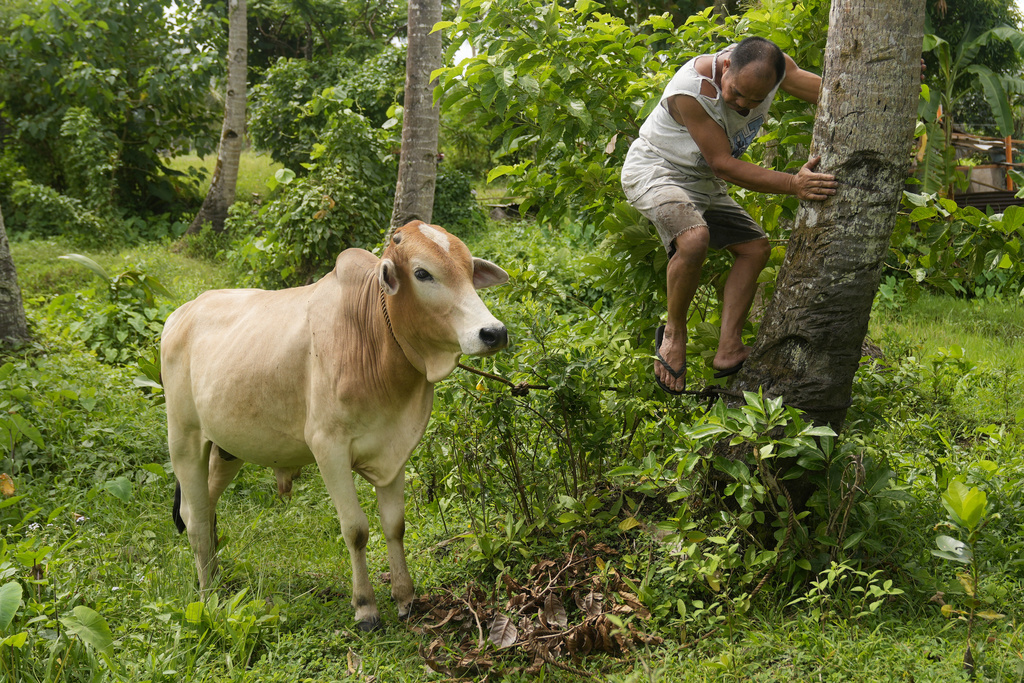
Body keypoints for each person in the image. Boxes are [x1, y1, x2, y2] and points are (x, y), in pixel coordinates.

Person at [621, 36, 837, 395]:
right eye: (736, 94)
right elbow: (723, 164)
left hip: (701, 180)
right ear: (725, 67)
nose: (743, 105)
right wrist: (792, 183)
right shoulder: (691, 91)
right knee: (694, 239)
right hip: (658, 171)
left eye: (756, 100)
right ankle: (673, 334)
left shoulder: (770, 67)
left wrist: (897, 78)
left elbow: (829, 94)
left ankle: (728, 348)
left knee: (755, 248)